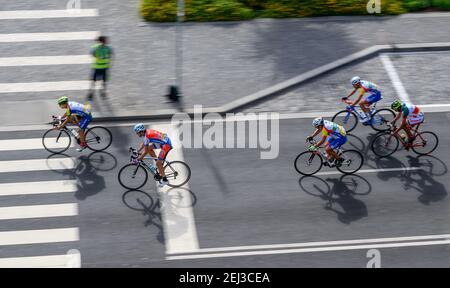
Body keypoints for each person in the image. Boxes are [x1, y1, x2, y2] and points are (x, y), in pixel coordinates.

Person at [88, 36, 113, 100]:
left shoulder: (95, 47)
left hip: (98, 66)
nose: (107, 41)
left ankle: (91, 93)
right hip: (103, 67)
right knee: (103, 81)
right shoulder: (108, 48)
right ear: (103, 41)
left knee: (94, 81)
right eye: (106, 40)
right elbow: (110, 55)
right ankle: (102, 93)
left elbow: (92, 54)